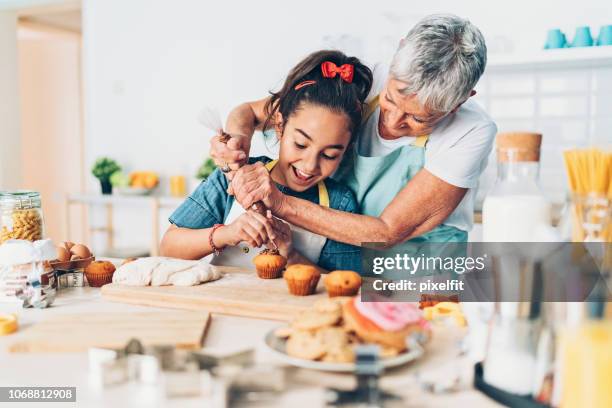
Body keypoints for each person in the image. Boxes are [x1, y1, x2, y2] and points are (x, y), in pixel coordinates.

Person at [211, 14, 497, 250]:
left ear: (462, 101)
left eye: (418, 118)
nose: (395, 121)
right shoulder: (361, 80)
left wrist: (281, 202)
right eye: (392, 98)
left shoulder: (472, 131)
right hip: (345, 255)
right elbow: (247, 112)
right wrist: (237, 145)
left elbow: (387, 232)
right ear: (399, 50)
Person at [160, 50, 373, 272]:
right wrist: (228, 233)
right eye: (300, 144)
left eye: (330, 155)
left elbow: (346, 284)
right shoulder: (235, 177)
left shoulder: (341, 203)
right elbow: (168, 249)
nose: (310, 165)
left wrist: (291, 255)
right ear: (280, 127)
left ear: (346, 150)